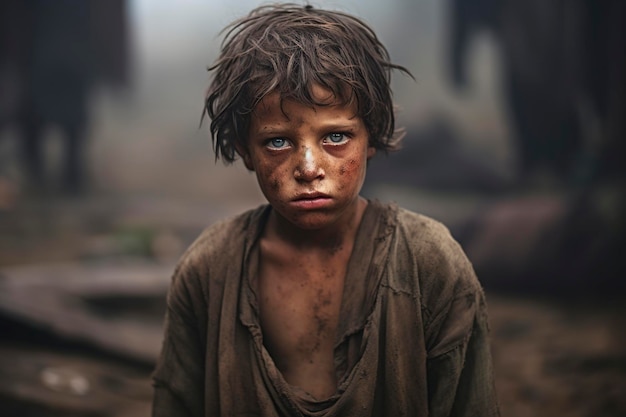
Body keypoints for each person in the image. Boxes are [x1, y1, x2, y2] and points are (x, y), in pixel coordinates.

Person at [152, 4, 499, 416]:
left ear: (371, 136)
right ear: (245, 150)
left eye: (336, 137)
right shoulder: (209, 271)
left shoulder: (428, 263)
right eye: (278, 142)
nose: (309, 169)